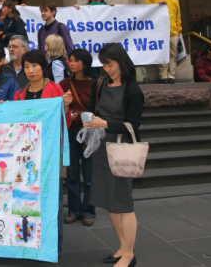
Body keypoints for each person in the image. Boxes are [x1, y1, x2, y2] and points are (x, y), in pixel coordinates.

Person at [84, 43, 144, 267]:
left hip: (121, 150)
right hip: (100, 146)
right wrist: (85, 117)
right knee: (110, 201)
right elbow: (92, 108)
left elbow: (134, 125)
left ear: (121, 62)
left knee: (123, 202)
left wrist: (105, 124)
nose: (107, 69)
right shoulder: (100, 84)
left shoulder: (132, 90)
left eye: (110, 64)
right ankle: (122, 247)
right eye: (104, 65)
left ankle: (129, 254)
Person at [12, 49, 72, 257]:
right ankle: (30, 244)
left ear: (43, 67)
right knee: (28, 200)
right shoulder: (19, 94)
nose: (30, 70)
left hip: (49, 154)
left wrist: (66, 108)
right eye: (27, 66)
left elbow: (66, 122)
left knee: (52, 201)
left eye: (34, 66)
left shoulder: (55, 90)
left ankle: (55, 248)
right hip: (27, 157)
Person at [60, 49, 96, 226]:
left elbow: (99, 107)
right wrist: (68, 113)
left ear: (85, 63)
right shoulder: (64, 83)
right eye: (70, 60)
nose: (72, 64)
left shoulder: (95, 84)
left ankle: (89, 211)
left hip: (89, 132)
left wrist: (84, 115)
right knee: (72, 173)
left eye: (76, 61)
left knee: (89, 175)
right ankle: (73, 210)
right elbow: (58, 107)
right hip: (70, 132)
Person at [145, 0, 182, 84]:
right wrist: (158, 5)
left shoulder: (174, 1)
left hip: (172, 33)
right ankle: (163, 75)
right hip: (159, 33)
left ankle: (171, 75)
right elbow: (146, 11)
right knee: (162, 54)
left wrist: (179, 30)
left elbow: (178, 17)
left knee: (172, 54)